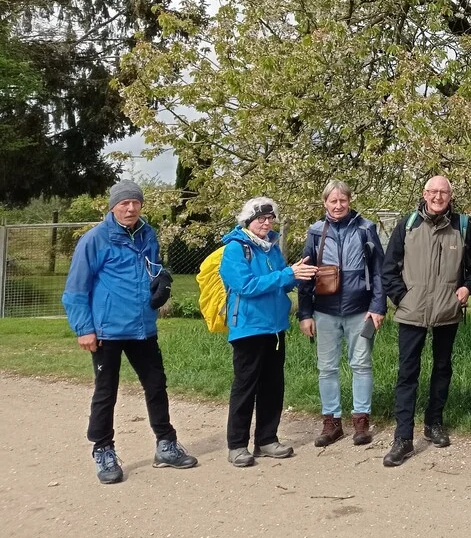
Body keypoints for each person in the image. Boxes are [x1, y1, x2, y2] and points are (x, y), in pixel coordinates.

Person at [62, 179, 199, 484]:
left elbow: (154, 266)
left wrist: (163, 279)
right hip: (106, 331)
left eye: (135, 202)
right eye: (124, 203)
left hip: (142, 328)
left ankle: (166, 445)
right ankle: (103, 450)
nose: (131, 208)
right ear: (113, 207)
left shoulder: (147, 234)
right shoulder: (94, 240)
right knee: (106, 392)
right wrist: (84, 328)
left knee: (156, 385)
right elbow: (74, 290)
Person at [380, 176, 471, 467]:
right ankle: (403, 438)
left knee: (442, 368)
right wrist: (403, 298)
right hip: (412, 311)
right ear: (425, 194)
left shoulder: (462, 227)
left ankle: (434, 422)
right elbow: (389, 269)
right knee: (407, 374)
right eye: (433, 191)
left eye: (444, 192)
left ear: (451, 195)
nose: (438, 197)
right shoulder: (408, 225)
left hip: (447, 311)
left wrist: (466, 289)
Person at [220, 197, 318, 467]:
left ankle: (266, 439)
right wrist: (287, 275)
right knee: (245, 386)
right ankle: (237, 445)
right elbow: (246, 286)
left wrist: (295, 274)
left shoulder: (271, 248)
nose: (266, 223)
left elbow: (281, 282)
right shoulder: (235, 249)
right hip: (249, 328)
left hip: (275, 327)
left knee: (273, 385)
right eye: (261, 218)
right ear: (248, 221)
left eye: (270, 218)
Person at [296, 181, 386, 446]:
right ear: (325, 203)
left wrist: (378, 306)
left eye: (342, 201)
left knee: (361, 365)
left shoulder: (365, 228)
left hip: (360, 310)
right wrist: (305, 313)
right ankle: (331, 422)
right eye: (333, 201)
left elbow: (379, 271)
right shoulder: (315, 232)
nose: (338, 206)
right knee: (326, 368)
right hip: (324, 310)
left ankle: (361, 421)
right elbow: (305, 275)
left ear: (349, 200)